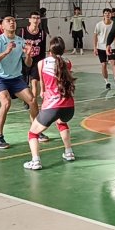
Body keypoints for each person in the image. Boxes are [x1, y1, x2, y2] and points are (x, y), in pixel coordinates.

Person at [23, 36, 77, 170]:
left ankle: (35, 161)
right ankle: (69, 152)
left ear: (49, 51)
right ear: (63, 50)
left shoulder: (42, 63)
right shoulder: (68, 62)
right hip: (69, 107)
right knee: (61, 122)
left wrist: (44, 96)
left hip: (52, 106)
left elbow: (43, 87)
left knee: (33, 133)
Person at [0, 16, 41, 149]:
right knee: (6, 103)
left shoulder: (21, 41)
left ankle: (36, 131)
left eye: (13, 21)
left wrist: (28, 54)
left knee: (32, 100)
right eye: (8, 21)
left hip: (16, 78)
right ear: (2, 26)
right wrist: (6, 52)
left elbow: (28, 64)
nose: (12, 22)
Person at [19, 11, 47, 111]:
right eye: (34, 18)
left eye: (37, 18)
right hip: (25, 60)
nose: (35, 20)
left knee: (34, 82)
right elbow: (19, 46)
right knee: (25, 83)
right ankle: (26, 100)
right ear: (30, 19)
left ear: (39, 20)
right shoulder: (23, 32)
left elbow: (43, 49)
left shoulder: (42, 33)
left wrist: (43, 63)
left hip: (37, 61)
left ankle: (33, 102)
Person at [93, 8, 115, 90]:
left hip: (111, 47)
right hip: (101, 47)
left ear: (111, 14)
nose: (107, 15)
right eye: (106, 13)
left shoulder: (114, 24)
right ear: (103, 15)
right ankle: (107, 82)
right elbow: (95, 36)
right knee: (104, 65)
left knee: (113, 63)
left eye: (109, 13)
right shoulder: (99, 25)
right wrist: (95, 48)